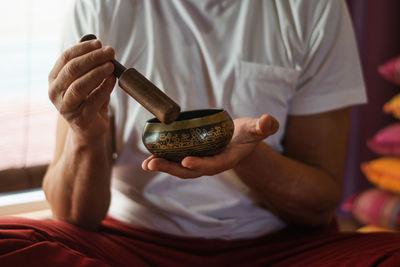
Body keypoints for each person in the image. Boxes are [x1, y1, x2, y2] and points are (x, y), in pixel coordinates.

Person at [1, 0, 400, 266]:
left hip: (277, 249)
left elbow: (319, 206)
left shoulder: (312, 7)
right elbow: (72, 216)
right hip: (132, 245)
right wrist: (84, 132)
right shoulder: (102, 5)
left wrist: (249, 156)